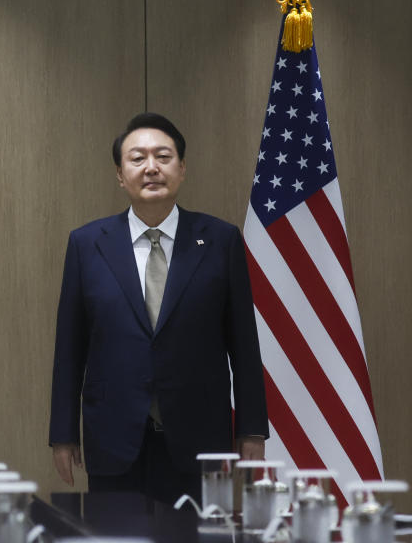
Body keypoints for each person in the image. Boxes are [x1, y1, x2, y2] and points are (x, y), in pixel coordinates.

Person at [48, 113, 268, 504]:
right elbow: (69, 349)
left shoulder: (220, 241)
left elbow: (245, 345)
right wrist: (63, 434)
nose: (151, 167)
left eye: (163, 156)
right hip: (113, 438)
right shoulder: (86, 244)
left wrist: (252, 429)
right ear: (120, 174)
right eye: (137, 158)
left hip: (200, 440)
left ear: (181, 169)